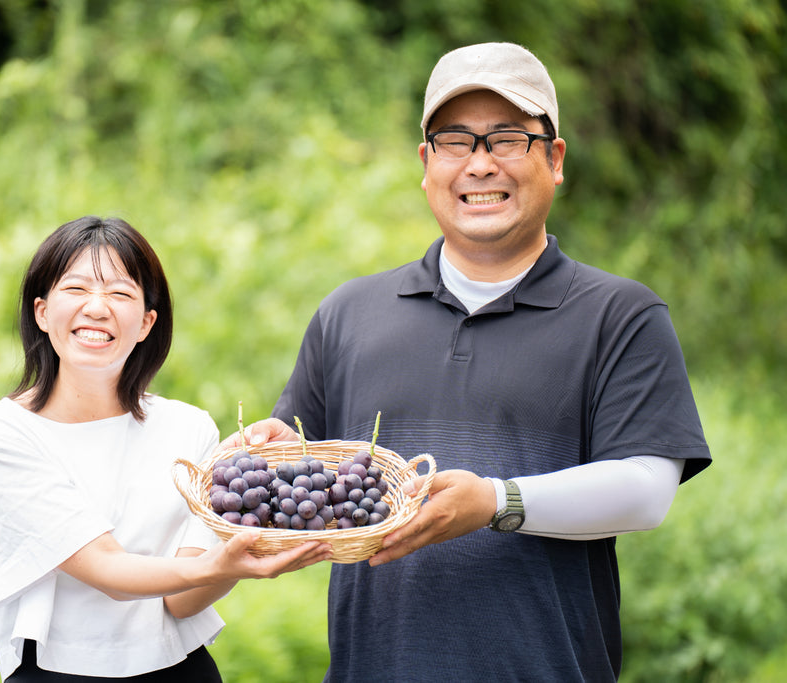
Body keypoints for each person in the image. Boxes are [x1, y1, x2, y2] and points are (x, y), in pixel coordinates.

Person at [226, 43, 711, 681]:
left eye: (507, 139)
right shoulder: (350, 313)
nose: (479, 165)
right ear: (427, 164)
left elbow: (645, 491)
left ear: (555, 158)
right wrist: (266, 451)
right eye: (455, 141)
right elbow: (307, 468)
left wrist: (497, 502)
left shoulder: (620, 316)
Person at [0, 216, 331, 682]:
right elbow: (107, 569)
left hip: (182, 671)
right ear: (41, 312)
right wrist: (226, 560)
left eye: (120, 294)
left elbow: (184, 597)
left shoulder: (187, 428)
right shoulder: (1, 434)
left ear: (146, 323)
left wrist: (243, 546)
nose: (97, 308)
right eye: (76, 289)